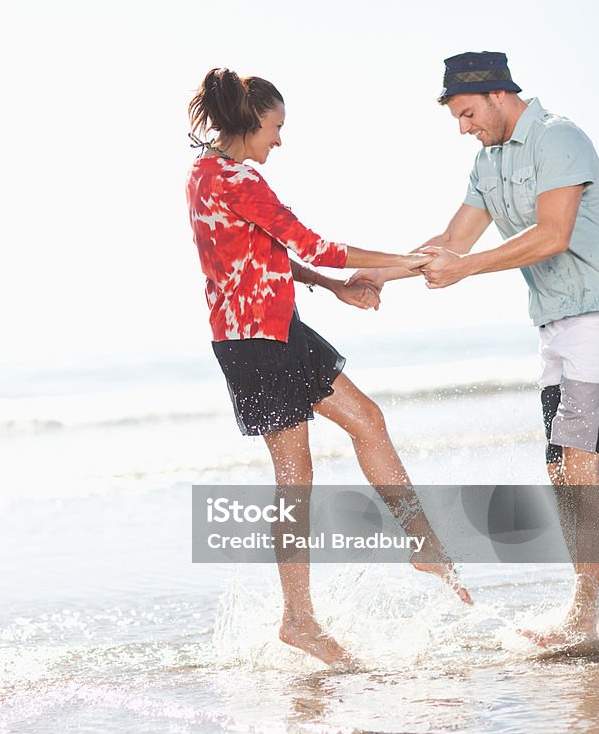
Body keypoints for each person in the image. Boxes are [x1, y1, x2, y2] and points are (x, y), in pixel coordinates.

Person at [186, 67, 472, 670]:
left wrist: (333, 289)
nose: (279, 141)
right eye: (275, 128)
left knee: (367, 418)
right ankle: (300, 622)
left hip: (277, 325)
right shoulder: (232, 179)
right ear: (247, 122)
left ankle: (420, 541)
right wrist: (407, 259)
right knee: (296, 476)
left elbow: (263, 255)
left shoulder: (215, 175)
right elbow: (311, 243)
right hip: (252, 338)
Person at [351, 51, 599, 651]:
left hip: (598, 321)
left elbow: (553, 233)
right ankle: (586, 614)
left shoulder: (558, 137)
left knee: (576, 467)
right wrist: (381, 275)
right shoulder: (487, 163)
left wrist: (466, 270)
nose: (463, 127)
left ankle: (582, 620)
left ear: (497, 94)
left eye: (466, 113)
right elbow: (452, 240)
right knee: (560, 470)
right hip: (555, 331)